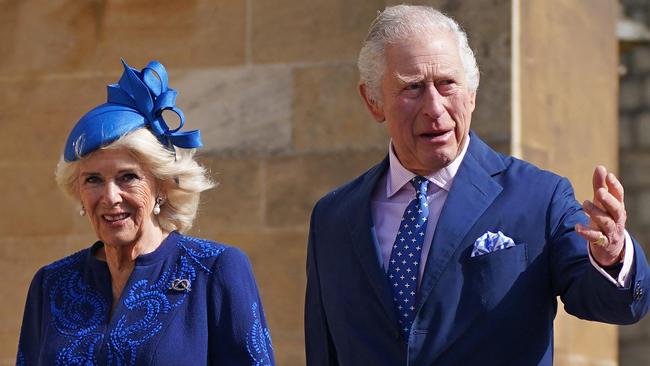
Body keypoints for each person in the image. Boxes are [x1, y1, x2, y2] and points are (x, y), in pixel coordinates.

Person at [304, 5, 650, 365]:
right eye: (413, 88)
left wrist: (611, 257)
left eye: (447, 84)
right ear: (373, 101)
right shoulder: (333, 218)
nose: (434, 108)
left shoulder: (538, 197)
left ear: (472, 92)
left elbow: (615, 305)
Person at [16, 60, 274, 365]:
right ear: (79, 192)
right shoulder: (52, 283)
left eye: (128, 177)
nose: (111, 197)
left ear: (161, 187)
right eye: (93, 180)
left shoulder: (213, 270)